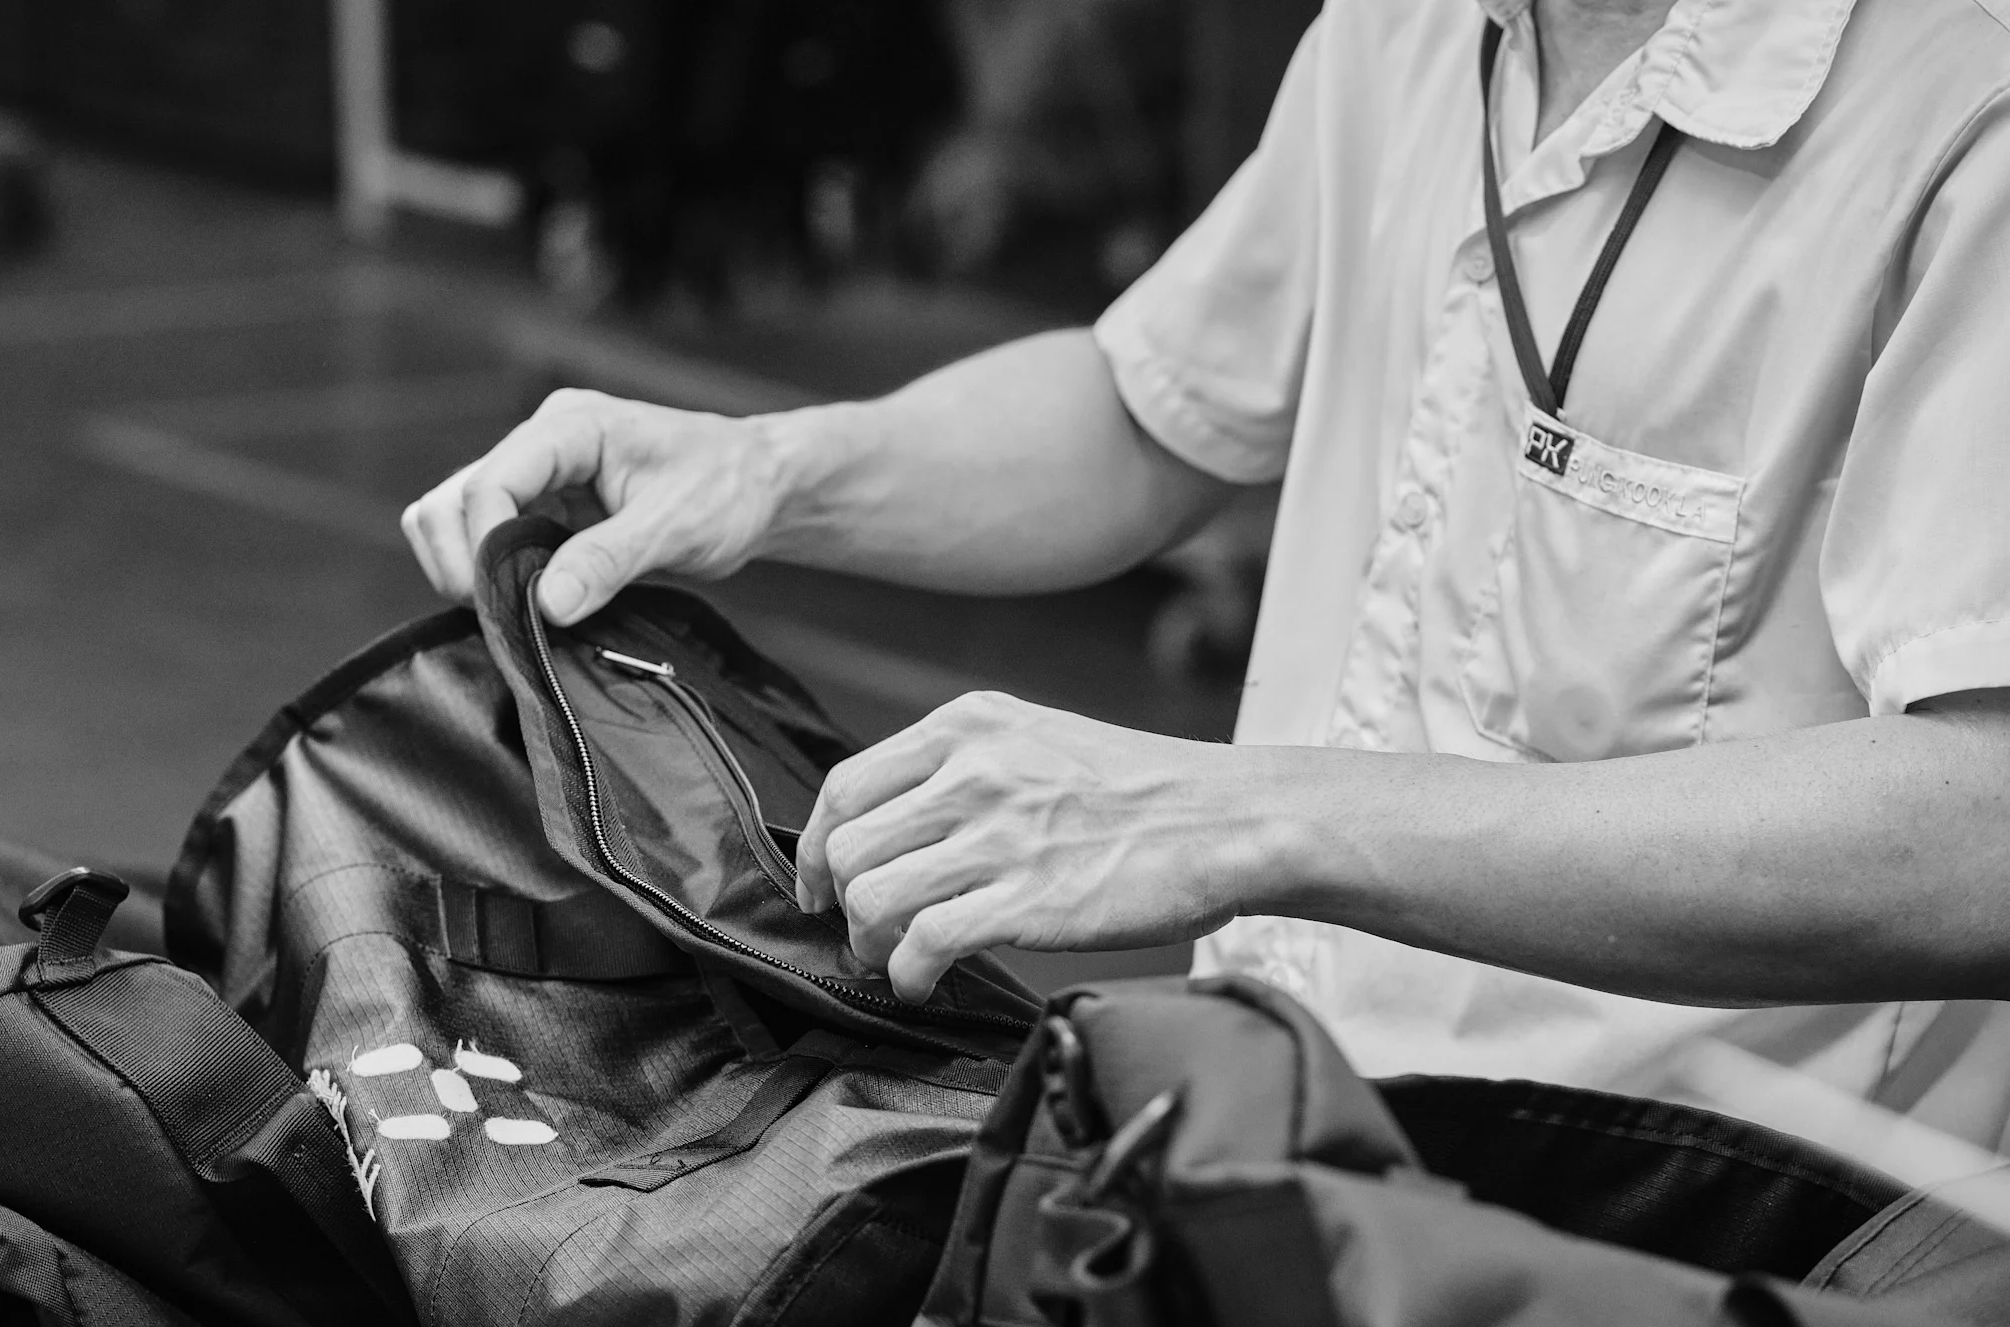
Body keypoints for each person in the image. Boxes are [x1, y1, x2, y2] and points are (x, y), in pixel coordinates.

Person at [404, 0, 2010, 1150]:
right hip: (1288, 1126)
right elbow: (1150, 411)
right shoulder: (1410, 34)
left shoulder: (1963, 110)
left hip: (1711, 1244)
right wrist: (768, 471)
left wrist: (1233, 814)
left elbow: (1977, 833)